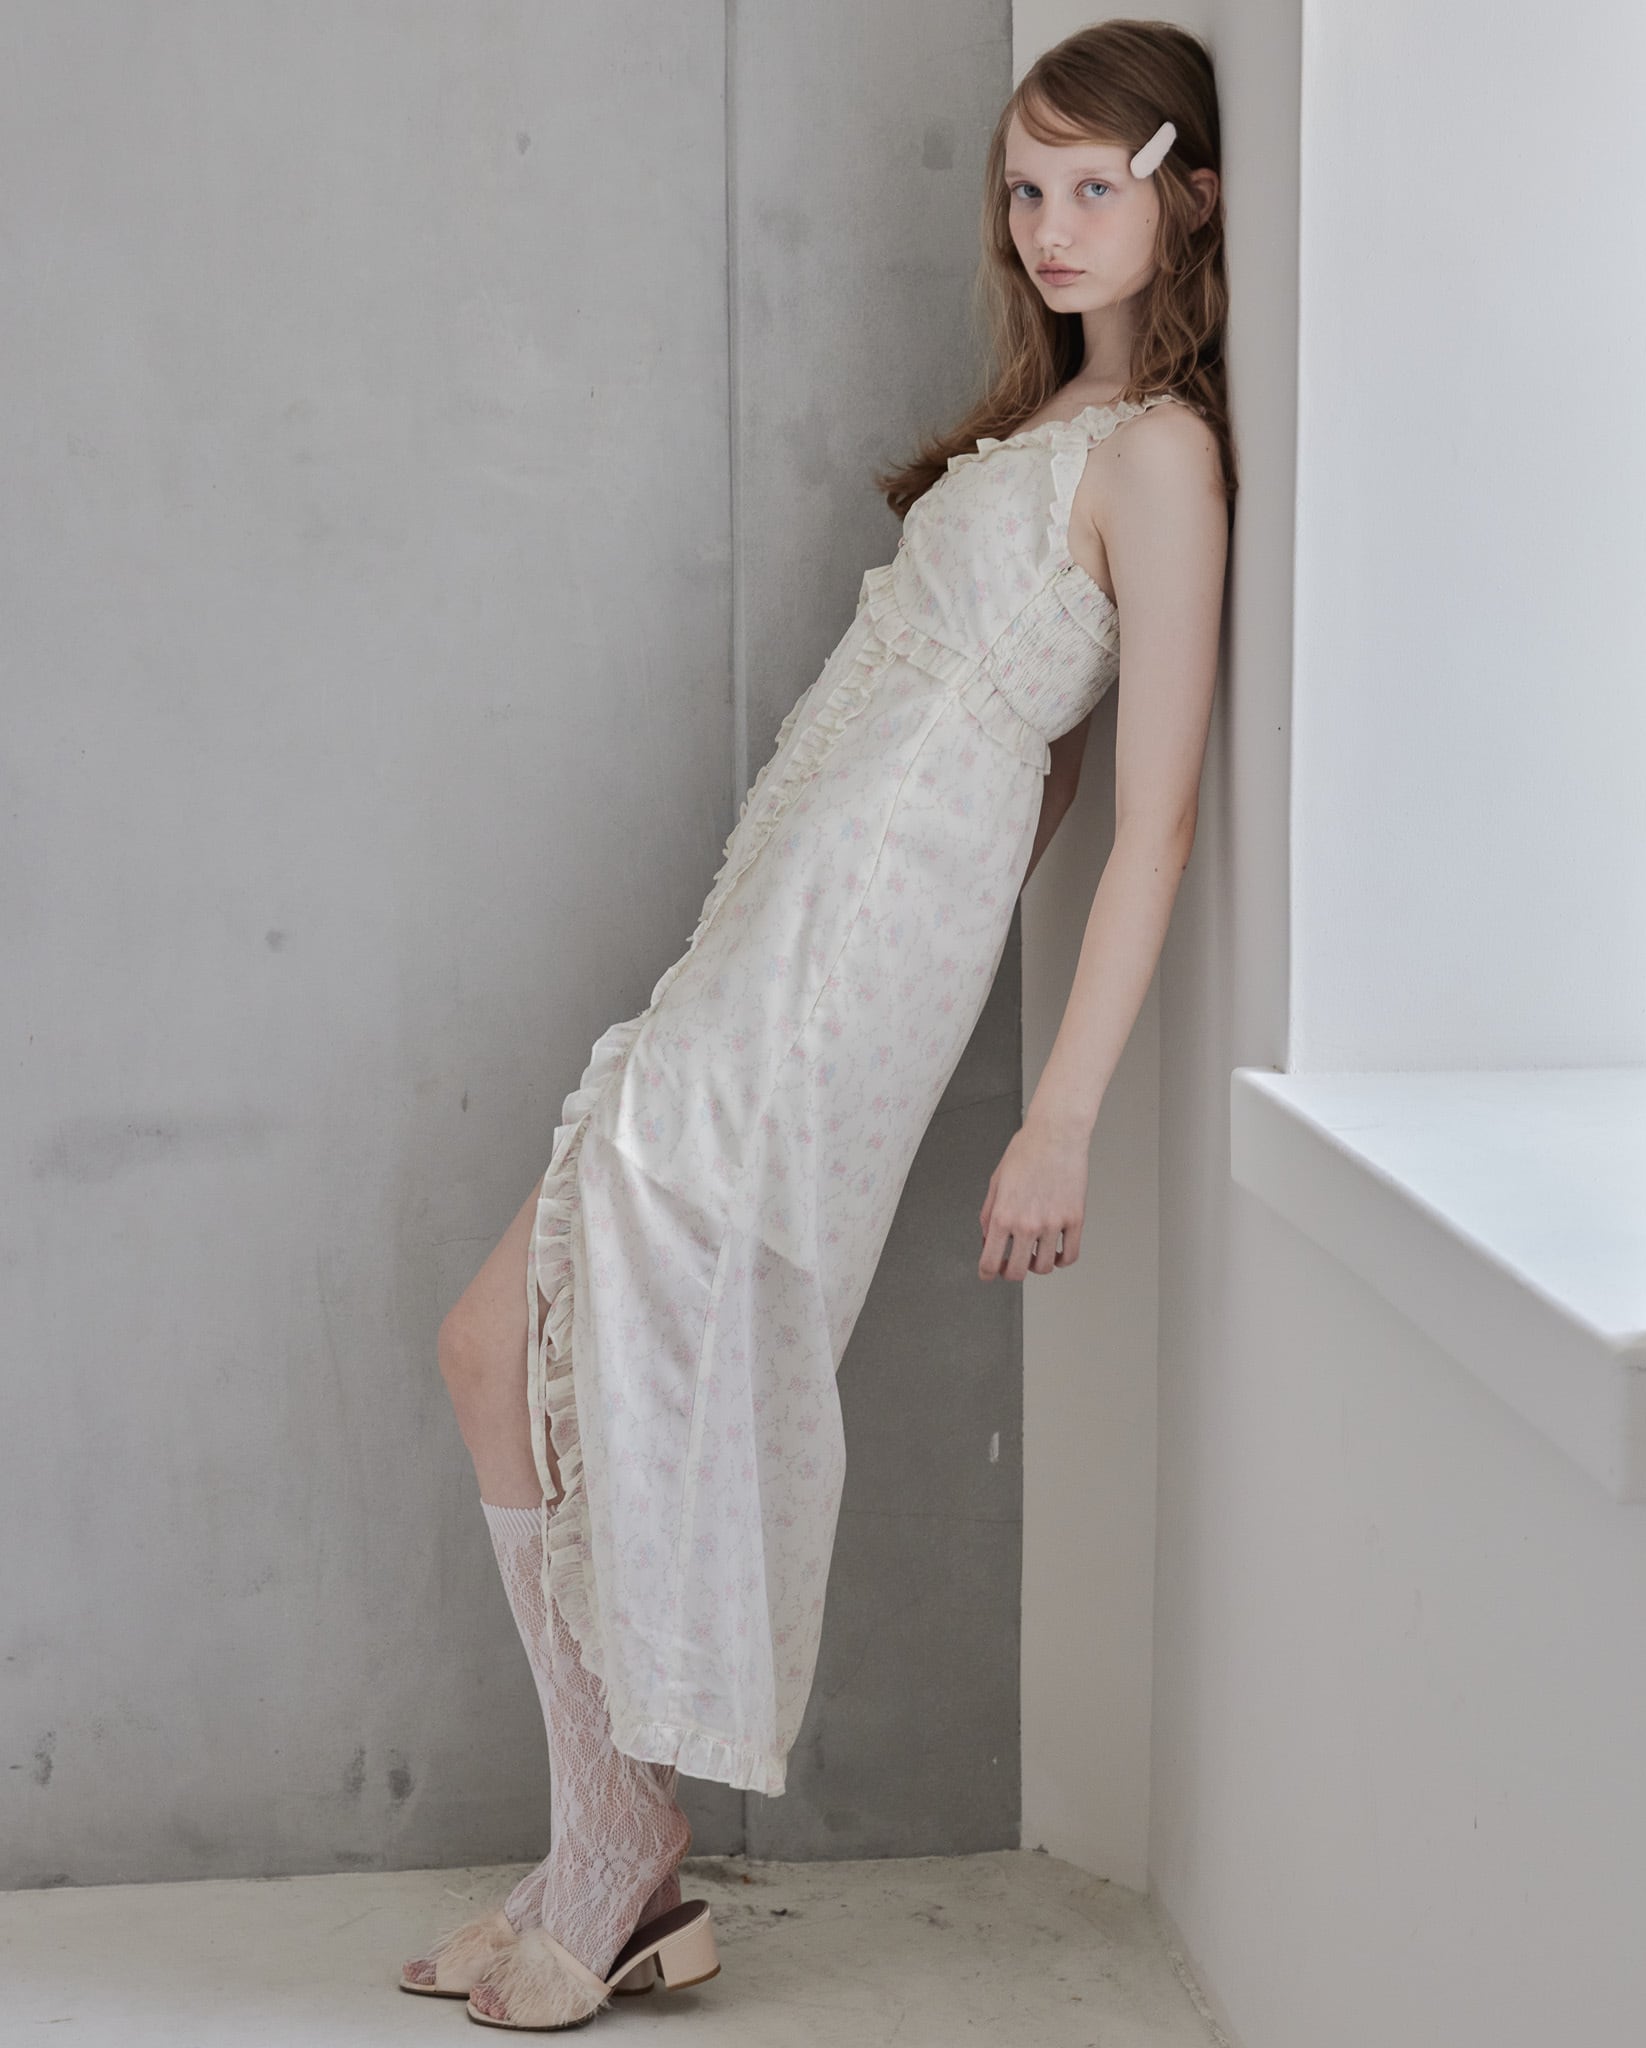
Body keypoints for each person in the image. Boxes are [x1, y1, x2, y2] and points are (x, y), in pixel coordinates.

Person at [400, 16, 1234, 2029]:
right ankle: (613, 1850)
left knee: (529, 1338)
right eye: (1024, 190)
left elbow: (1152, 810)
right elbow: (1025, 775)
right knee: (510, 1345)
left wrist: (1058, 1111)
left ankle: (617, 1856)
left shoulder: (1160, 457)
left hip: (845, 962)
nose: (1049, 226)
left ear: (1185, 197)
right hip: (789, 920)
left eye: (1094, 186)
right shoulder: (1045, 430)